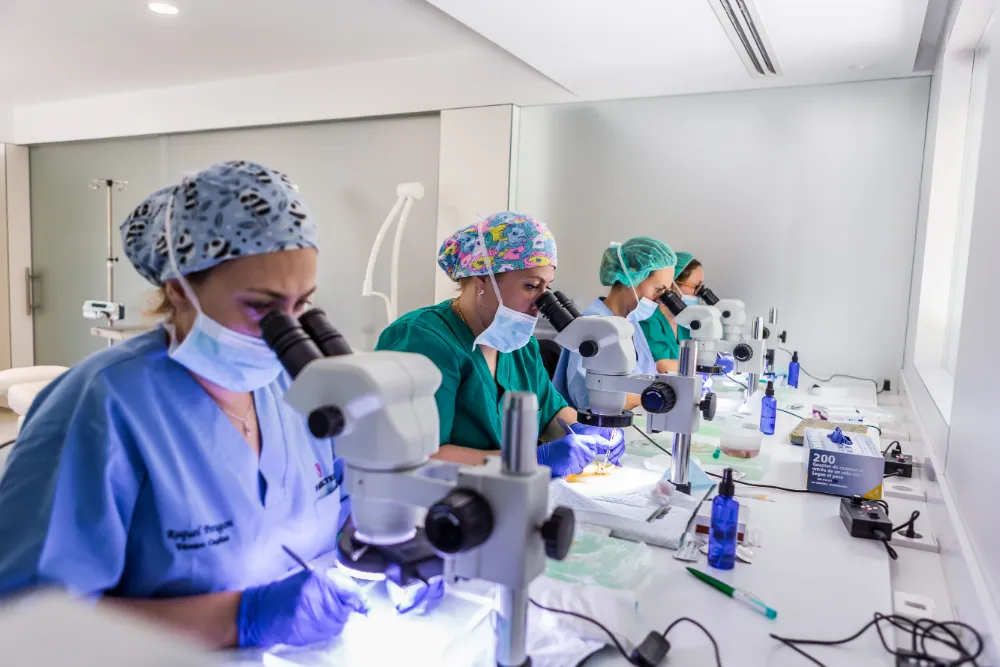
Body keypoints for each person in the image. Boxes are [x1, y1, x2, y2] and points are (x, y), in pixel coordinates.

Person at [0, 161, 370, 649]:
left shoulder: (297, 384)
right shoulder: (100, 405)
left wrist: (379, 544)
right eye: (262, 307)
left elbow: (342, 504)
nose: (288, 329)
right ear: (179, 287)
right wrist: (241, 618)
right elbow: (29, 620)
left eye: (302, 305)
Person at [375, 212, 625, 476]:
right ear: (482, 276)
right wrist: (531, 460)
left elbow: (551, 415)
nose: (541, 305)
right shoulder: (422, 340)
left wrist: (589, 434)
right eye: (531, 286)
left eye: (547, 288)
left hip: (507, 496)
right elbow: (417, 456)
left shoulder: (522, 347)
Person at [554, 237, 677, 411]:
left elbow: (647, 375)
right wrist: (652, 395)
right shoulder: (595, 327)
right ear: (631, 278)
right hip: (592, 430)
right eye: (658, 290)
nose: (662, 300)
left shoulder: (629, 322)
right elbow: (589, 399)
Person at [640, 251, 704, 374]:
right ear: (672, 284)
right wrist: (704, 367)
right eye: (696, 286)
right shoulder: (649, 319)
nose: (699, 293)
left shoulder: (686, 324)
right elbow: (663, 366)